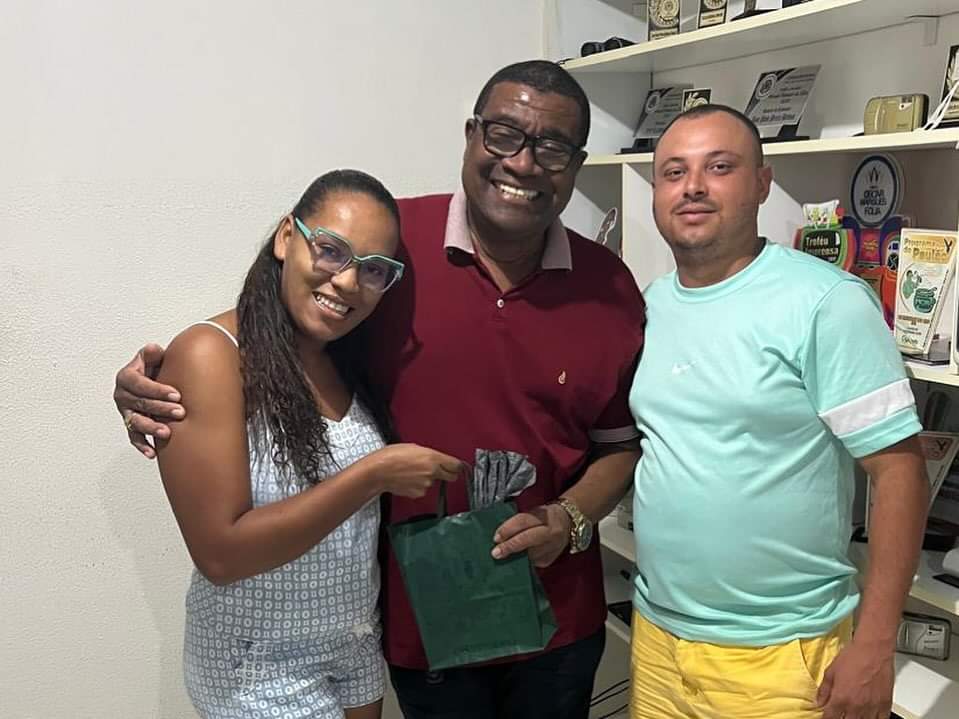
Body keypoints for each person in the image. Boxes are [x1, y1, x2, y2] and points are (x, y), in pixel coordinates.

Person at [113, 61, 646, 719]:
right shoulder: (396, 248)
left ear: (577, 164)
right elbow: (274, 329)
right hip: (420, 626)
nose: (523, 162)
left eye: (553, 146)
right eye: (504, 134)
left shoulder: (608, 285)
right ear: (471, 136)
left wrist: (568, 518)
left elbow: (619, 444)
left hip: (553, 623)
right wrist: (157, 379)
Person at [628, 104, 929, 719]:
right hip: (658, 638)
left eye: (720, 167)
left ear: (763, 183)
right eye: (674, 172)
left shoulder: (826, 302)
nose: (693, 187)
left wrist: (876, 645)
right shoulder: (651, 304)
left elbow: (900, 473)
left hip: (783, 656)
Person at [150, 168, 464, 719]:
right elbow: (220, 554)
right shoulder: (211, 355)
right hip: (255, 664)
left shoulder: (342, 355)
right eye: (330, 250)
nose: (347, 281)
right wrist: (373, 474)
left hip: (352, 645)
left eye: (372, 269)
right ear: (285, 238)